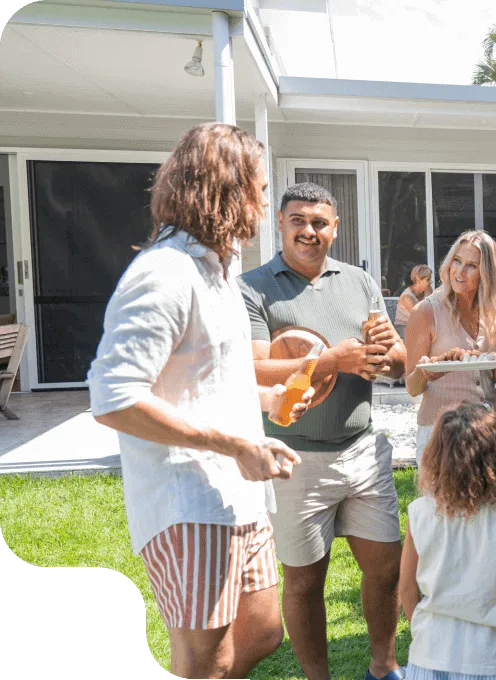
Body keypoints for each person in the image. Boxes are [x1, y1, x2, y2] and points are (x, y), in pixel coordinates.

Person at [87, 122, 312, 680]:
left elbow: (209, 375)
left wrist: (268, 397)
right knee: (206, 663)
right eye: (258, 187)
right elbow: (112, 397)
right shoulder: (164, 273)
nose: (265, 200)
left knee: (261, 631)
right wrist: (231, 443)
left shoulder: (216, 272)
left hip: (238, 495)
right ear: (227, 189)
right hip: (188, 500)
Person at [238, 182, 408, 680]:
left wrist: (386, 356)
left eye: (319, 222)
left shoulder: (358, 282)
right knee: (305, 582)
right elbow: (252, 370)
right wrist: (335, 359)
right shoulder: (253, 288)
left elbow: (397, 362)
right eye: (298, 221)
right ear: (281, 224)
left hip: (362, 449)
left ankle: (385, 666)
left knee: (385, 568)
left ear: (334, 228)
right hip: (294, 459)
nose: (308, 231)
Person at [399, 402, 496, 680]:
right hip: (486, 661)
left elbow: (407, 591)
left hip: (425, 658)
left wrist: (426, 634)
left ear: (435, 456)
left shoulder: (418, 512)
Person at [405, 230, 496, 459]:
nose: (460, 271)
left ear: (487, 272)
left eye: (471, 266)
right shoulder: (425, 312)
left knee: (491, 496)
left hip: (488, 430)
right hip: (440, 435)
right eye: (457, 261)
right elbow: (412, 387)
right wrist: (431, 369)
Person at [394, 263, 433, 339]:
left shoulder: (428, 289)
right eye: (428, 279)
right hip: (404, 326)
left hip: (420, 324)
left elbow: (434, 307)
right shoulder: (407, 297)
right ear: (418, 280)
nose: (431, 282)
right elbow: (417, 317)